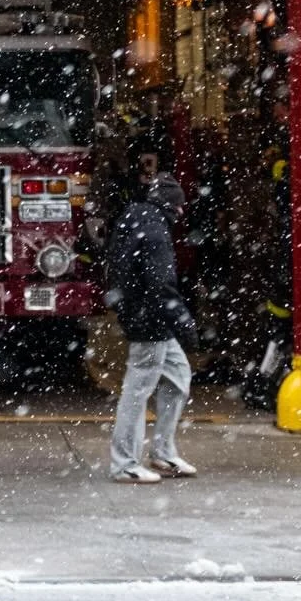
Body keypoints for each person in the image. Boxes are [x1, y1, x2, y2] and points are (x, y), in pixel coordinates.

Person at [106, 167, 199, 484]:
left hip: (143, 315)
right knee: (137, 389)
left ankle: (162, 452)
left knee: (178, 375)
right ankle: (125, 464)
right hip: (151, 321)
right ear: (171, 205)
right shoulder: (156, 231)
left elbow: (117, 267)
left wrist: (124, 306)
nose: (182, 211)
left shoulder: (134, 216)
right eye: (180, 205)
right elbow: (161, 284)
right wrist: (183, 320)